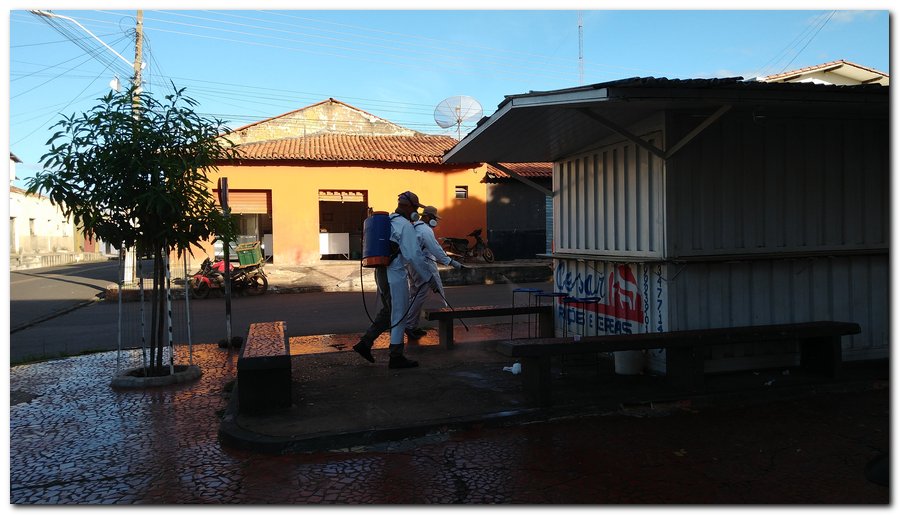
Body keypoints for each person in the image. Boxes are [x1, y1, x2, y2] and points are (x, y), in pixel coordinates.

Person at [353, 191, 438, 369]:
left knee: (389, 310)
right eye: (415, 208)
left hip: (381, 272)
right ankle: (396, 356)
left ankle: (365, 343)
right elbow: (414, 256)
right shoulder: (405, 225)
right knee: (399, 312)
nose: (416, 212)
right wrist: (429, 278)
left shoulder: (389, 221)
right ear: (408, 207)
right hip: (394, 274)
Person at [404, 206, 462, 340]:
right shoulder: (425, 230)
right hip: (420, 266)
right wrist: (451, 262)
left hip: (411, 265)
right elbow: (436, 249)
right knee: (421, 293)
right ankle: (409, 325)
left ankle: (412, 325)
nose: (435, 221)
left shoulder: (415, 227)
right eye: (434, 218)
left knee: (415, 294)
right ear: (428, 217)